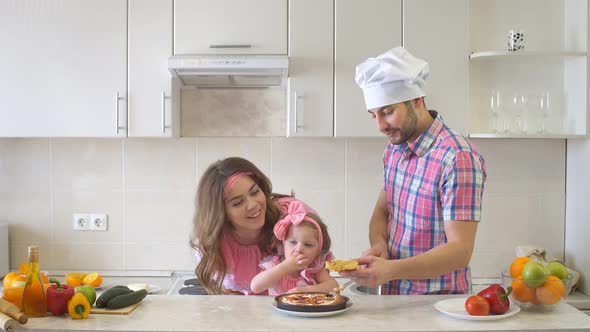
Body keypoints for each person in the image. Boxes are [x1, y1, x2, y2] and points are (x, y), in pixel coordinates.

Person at [341, 47, 487, 295]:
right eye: (374, 115)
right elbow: (382, 210)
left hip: (438, 305)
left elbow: (460, 251)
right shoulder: (395, 149)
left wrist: (391, 270)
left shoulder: (457, 157)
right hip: (395, 297)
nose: (380, 125)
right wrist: (380, 246)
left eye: (387, 112)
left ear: (417, 100)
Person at [190, 157, 323, 295]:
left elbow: (317, 272)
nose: (253, 205)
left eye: (254, 192)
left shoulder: (293, 219)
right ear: (221, 213)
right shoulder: (215, 244)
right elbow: (229, 296)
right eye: (238, 203)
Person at [250, 198, 338, 295]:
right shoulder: (276, 265)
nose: (299, 249)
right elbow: (255, 287)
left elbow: (334, 286)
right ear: (283, 244)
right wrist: (285, 267)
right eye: (292, 242)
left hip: (308, 309)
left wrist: (306, 290)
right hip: (280, 310)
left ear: (318, 249)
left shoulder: (314, 268)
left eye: (308, 245)